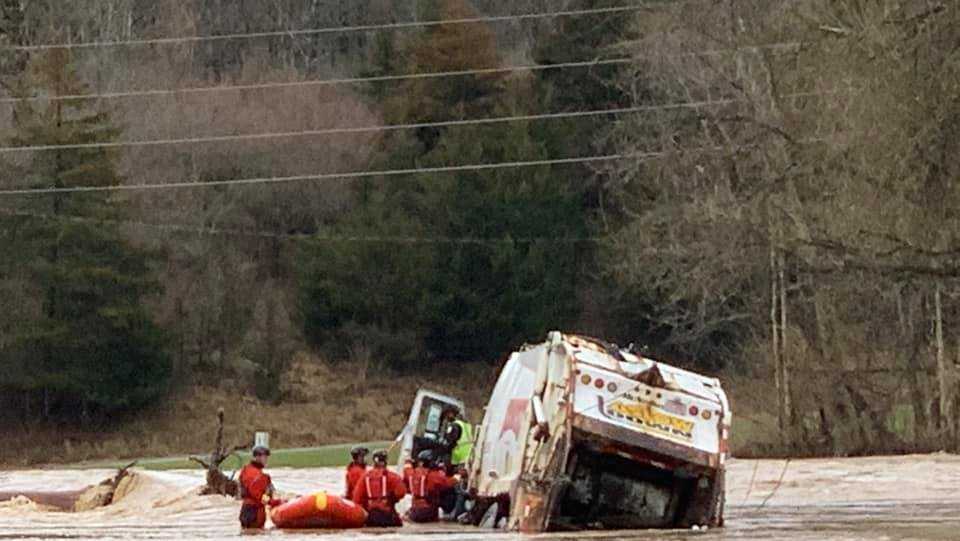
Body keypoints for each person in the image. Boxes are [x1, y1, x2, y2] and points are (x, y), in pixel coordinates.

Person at [352, 449, 406, 527]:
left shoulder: (364, 477)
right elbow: (401, 492)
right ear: (385, 461)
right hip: (387, 515)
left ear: (374, 461)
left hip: (371, 516)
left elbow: (356, 498)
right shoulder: (392, 476)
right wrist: (392, 499)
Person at [238, 445, 283, 529]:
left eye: (267, 457)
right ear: (257, 457)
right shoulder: (258, 476)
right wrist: (279, 502)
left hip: (246, 511)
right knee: (256, 532)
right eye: (264, 457)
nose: (266, 459)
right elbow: (260, 498)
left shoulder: (246, 469)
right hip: (254, 513)